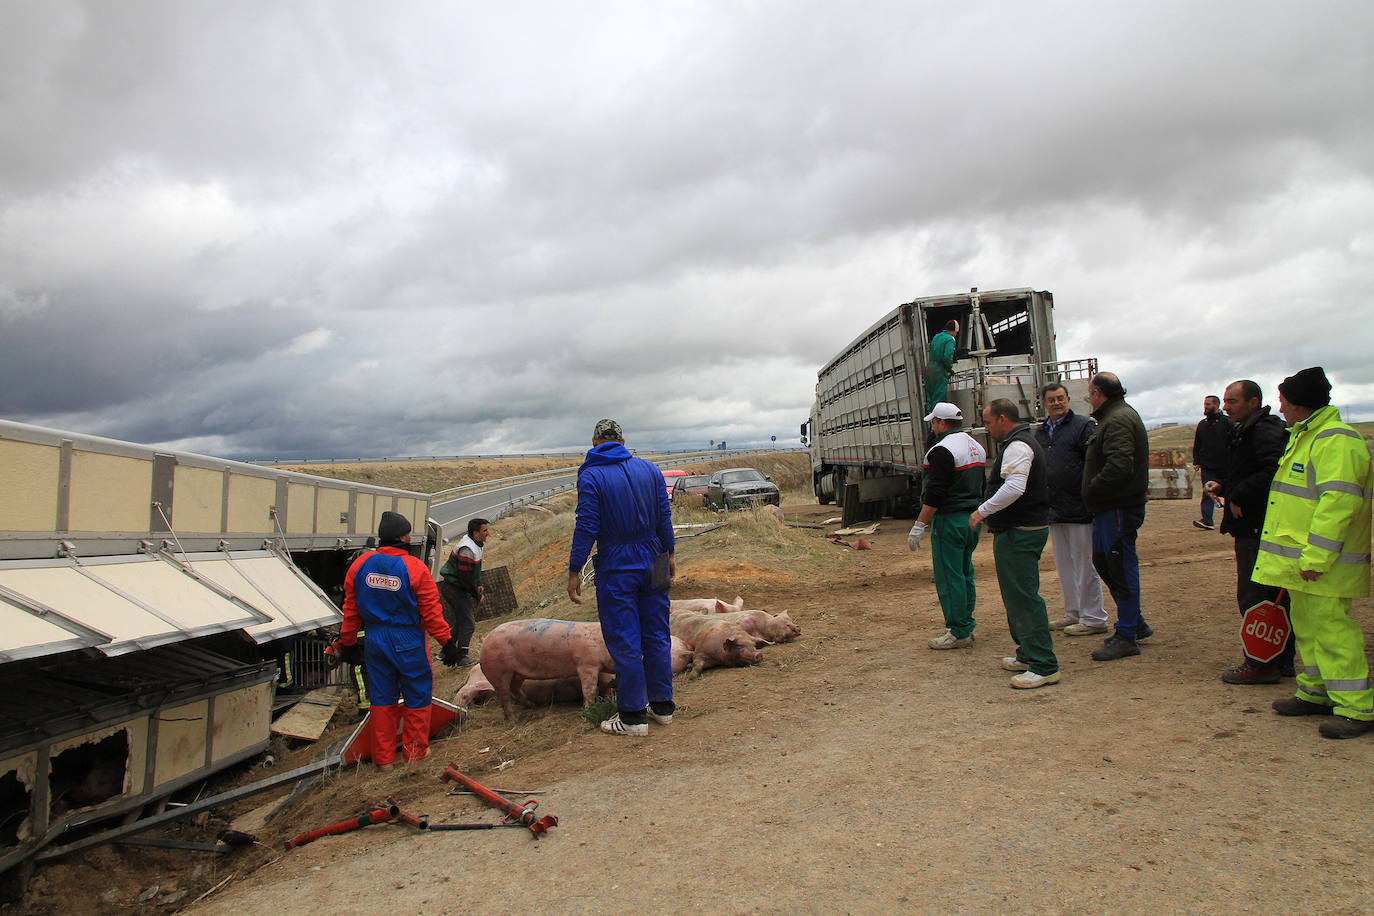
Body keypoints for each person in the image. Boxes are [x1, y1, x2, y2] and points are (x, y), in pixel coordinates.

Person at [1252, 367, 1374, 739]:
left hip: (1325, 565)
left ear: (1301, 403)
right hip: (1303, 564)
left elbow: (1337, 505)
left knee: (1333, 631)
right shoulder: (1306, 436)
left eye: (1285, 399)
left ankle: (1356, 708)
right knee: (1308, 629)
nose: (1281, 406)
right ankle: (1316, 691)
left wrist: (1317, 558)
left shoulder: (1335, 441)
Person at [567, 419, 676, 737]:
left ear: (594, 441)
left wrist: (575, 570)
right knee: (657, 631)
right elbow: (664, 515)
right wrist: (669, 553)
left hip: (617, 562)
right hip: (654, 556)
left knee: (624, 638)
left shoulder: (592, 475)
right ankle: (662, 706)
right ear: (623, 441)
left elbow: (587, 525)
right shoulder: (650, 470)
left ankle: (632, 716)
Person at [340, 511, 459, 768]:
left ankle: (383, 760)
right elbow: (430, 612)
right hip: (408, 639)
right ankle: (415, 753)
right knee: (417, 695)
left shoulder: (360, 565)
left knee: (381, 698)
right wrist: (447, 642)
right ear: (404, 536)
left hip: (375, 639)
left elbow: (350, 610)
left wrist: (347, 642)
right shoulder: (415, 568)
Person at [1203, 380, 1293, 684]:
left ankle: (1261, 663)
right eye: (1225, 401)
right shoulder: (1247, 429)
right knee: (1270, 595)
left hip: (1258, 527)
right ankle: (1279, 660)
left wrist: (1239, 493)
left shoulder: (1264, 430)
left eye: (1232, 401)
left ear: (1254, 402)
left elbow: (1274, 470)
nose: (1226, 406)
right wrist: (1227, 487)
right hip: (1255, 524)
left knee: (1256, 596)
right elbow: (1252, 469)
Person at [969, 399, 1060, 688]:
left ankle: (1044, 664)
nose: (987, 428)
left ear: (1003, 419)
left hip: (1021, 531)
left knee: (1024, 597)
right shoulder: (1019, 442)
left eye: (987, 422)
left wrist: (983, 511)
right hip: (1016, 529)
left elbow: (1015, 487)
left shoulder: (1018, 445)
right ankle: (1027, 652)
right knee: (1016, 596)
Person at [1081, 372, 1154, 661]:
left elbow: (1120, 465)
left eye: (1090, 395)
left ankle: (1127, 634)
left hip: (1117, 507)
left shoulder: (1118, 419)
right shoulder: (1113, 418)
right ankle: (1134, 621)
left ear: (1099, 393)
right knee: (1104, 560)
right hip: (1108, 508)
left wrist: (1092, 489)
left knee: (1120, 565)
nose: (1089, 400)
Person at [908, 402, 986, 650]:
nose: (933, 427)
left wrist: (920, 524)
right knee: (965, 573)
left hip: (950, 520)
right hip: (971, 517)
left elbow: (935, 493)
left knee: (949, 576)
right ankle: (967, 622)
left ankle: (958, 630)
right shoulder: (976, 446)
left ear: (941, 423)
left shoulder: (941, 450)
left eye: (933, 422)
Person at [1035, 382, 1107, 636]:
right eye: (1051, 399)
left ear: (1068, 399)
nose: (1057, 403)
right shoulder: (1042, 433)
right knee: (1064, 564)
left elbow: (1094, 460)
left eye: (1061, 398)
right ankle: (1073, 612)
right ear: (1043, 403)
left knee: (1085, 563)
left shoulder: (1082, 426)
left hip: (1079, 505)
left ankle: (1094, 617)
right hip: (1054, 507)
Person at [438, 516, 489, 666]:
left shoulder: (477, 544)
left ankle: (446, 651)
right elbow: (464, 578)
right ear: (475, 532)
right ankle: (462, 656)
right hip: (454, 588)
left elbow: (474, 570)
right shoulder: (467, 549)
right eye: (485, 530)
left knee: (462, 620)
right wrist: (477, 595)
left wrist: (478, 583)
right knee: (468, 622)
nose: (488, 533)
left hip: (458, 586)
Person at [1192, 395, 1232, 530]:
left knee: (1231, 490)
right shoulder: (1202, 424)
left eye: (1208, 404)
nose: (1205, 407)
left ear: (1216, 405)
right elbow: (1197, 444)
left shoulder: (1227, 422)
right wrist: (1197, 461)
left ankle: (1231, 519)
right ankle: (1207, 520)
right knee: (1207, 491)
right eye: (1204, 404)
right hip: (1207, 465)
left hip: (1225, 464)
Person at [924, 320, 959, 413]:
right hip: (939, 370)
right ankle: (939, 420)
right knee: (939, 398)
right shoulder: (950, 339)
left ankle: (931, 420)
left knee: (930, 396)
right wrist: (949, 369)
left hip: (929, 368)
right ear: (955, 331)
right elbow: (948, 356)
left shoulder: (936, 337)